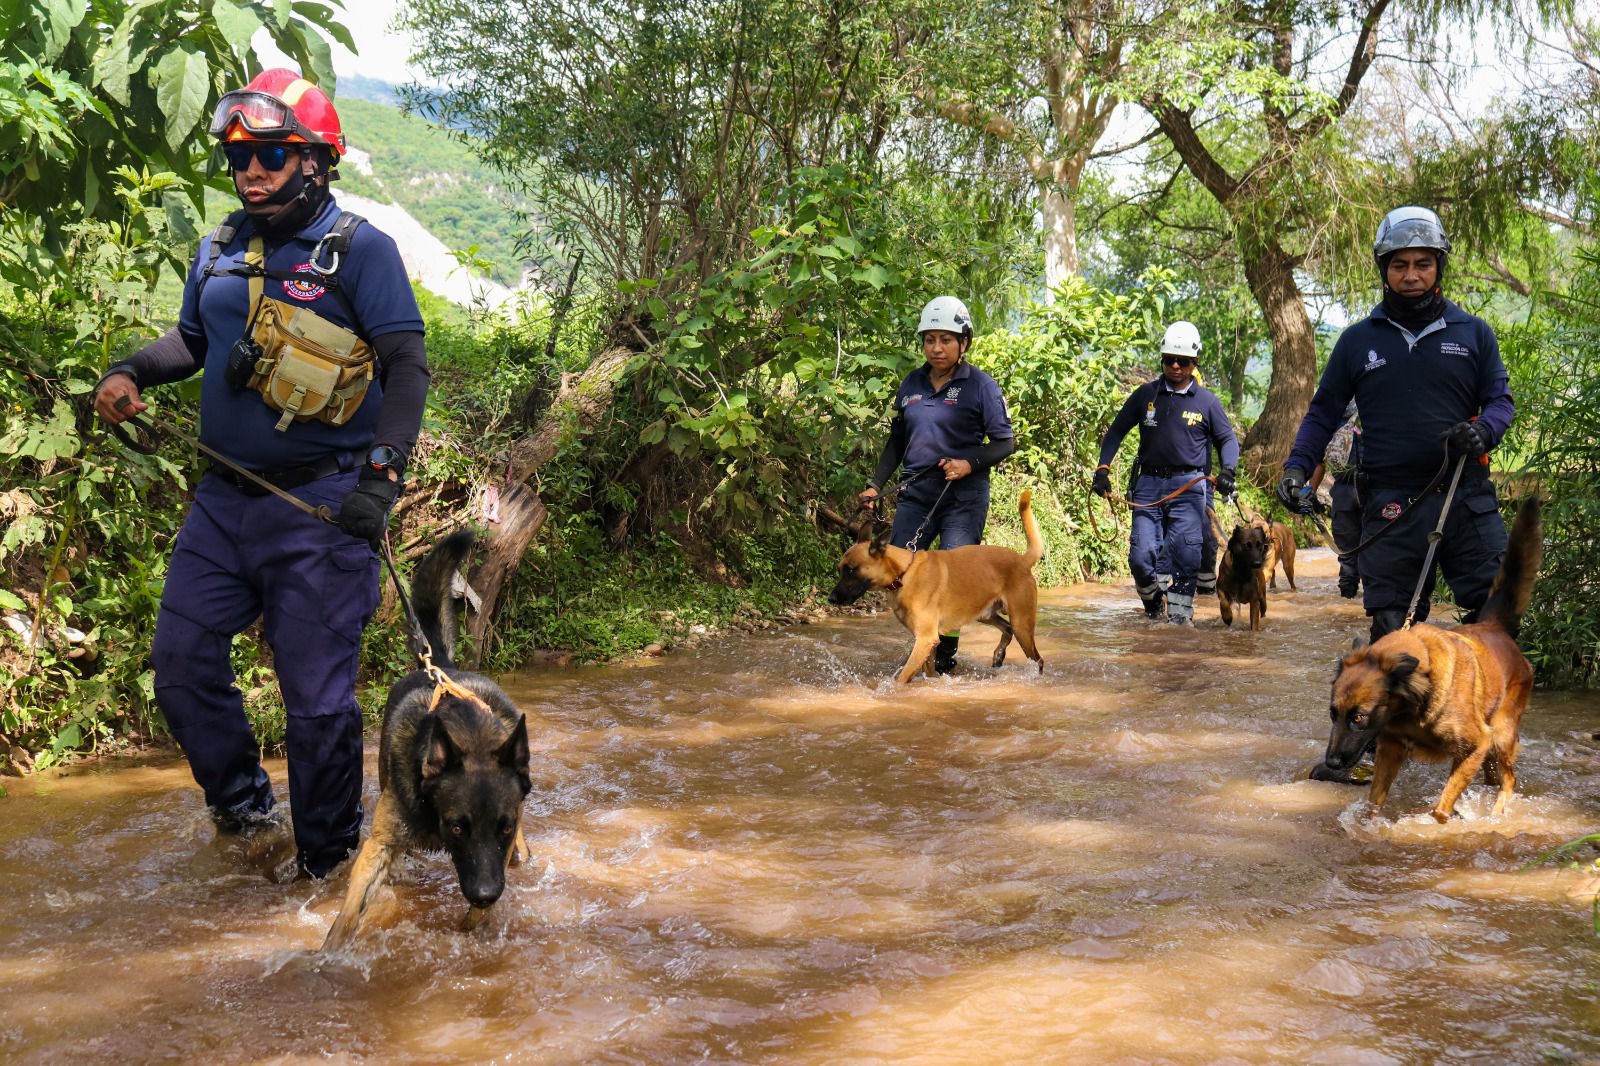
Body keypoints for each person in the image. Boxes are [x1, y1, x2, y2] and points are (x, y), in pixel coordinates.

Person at [93, 69, 430, 879]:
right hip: (222, 506)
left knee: (315, 707)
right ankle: (246, 818)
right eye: (241, 156)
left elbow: (408, 365)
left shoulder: (360, 249)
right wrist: (134, 368)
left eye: (273, 154)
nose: (252, 170)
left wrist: (381, 480)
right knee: (180, 665)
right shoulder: (218, 248)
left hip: (319, 505)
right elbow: (195, 344)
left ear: (316, 160)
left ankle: (328, 864)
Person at [1280, 206, 1512, 643]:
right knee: (1392, 635)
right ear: (1384, 269)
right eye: (1400, 265)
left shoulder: (1474, 333)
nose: (1411, 275)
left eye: (1423, 264)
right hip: (1390, 505)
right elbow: (1323, 412)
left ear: (1438, 265)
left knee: (1494, 623)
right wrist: (1296, 469)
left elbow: (1500, 402)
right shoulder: (1357, 341)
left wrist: (1484, 431)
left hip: (1466, 498)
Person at [857, 295, 1016, 673]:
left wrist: (968, 463)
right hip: (915, 494)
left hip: (963, 498)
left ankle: (944, 656)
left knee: (956, 579)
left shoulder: (981, 386)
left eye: (946, 339)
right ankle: (920, 646)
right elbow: (897, 441)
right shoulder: (911, 383)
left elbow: (1006, 442)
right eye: (930, 339)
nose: (937, 347)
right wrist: (875, 485)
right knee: (901, 573)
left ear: (964, 342)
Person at [1093, 321, 1239, 625]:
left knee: (1186, 554)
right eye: (1169, 359)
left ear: (1194, 362)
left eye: (1183, 361)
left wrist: (1228, 471)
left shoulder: (1207, 402)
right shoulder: (1146, 395)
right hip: (1148, 485)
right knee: (1141, 556)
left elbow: (1227, 439)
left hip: (1189, 486)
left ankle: (1179, 624)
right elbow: (1117, 431)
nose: (1175, 366)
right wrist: (1103, 469)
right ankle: (1153, 606)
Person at [1305, 401, 1363, 599]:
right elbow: (1320, 460)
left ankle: (1371, 609)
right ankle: (1346, 611)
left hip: (1374, 492)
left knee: (1375, 555)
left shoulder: (1377, 411)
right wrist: (1310, 490)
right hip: (1345, 493)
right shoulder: (1332, 421)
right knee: (1347, 557)